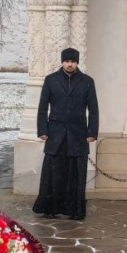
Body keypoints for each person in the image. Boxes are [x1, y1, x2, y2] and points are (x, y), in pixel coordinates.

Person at [32, 48, 99, 221]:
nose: (69, 64)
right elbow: (42, 107)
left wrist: (92, 131)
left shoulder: (87, 82)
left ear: (77, 62)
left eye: (73, 61)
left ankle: (75, 209)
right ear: (62, 62)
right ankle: (50, 207)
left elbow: (93, 110)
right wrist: (42, 130)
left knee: (76, 173)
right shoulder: (51, 80)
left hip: (78, 134)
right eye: (67, 61)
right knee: (53, 171)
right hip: (55, 134)